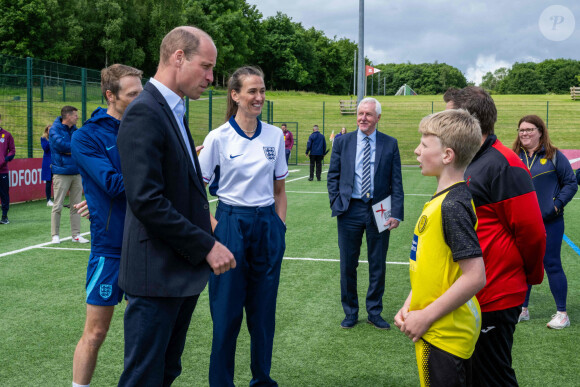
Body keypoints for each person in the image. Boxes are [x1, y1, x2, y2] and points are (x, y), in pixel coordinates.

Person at [116, 26, 235, 386]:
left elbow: (180, 186)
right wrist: (206, 244)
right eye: (207, 66)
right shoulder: (145, 112)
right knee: (143, 377)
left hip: (176, 274)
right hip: (155, 276)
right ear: (178, 57)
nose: (211, 77)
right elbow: (147, 201)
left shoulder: (174, 109)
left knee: (166, 372)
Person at [444, 87, 546, 386]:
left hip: (495, 294)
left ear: (468, 121)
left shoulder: (504, 164)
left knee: (492, 377)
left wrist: (530, 277)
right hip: (471, 292)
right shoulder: (469, 159)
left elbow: (532, 232)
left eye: (449, 116)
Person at [199, 66, 288, 387]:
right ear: (235, 95)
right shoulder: (217, 138)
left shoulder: (274, 135)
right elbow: (197, 193)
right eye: (252, 91)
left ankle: (262, 379)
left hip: (266, 226)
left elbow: (279, 190)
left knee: (263, 316)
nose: (259, 97)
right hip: (230, 223)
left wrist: (279, 227)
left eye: (262, 91)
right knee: (226, 317)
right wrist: (217, 232)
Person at [395, 109, 486, 387]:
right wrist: (411, 303)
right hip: (441, 328)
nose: (417, 150)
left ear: (447, 155)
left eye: (424, 144)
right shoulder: (445, 199)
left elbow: (475, 276)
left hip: (443, 335)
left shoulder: (451, 206)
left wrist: (426, 316)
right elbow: (435, 267)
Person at [70, 64, 143, 387]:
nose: (141, 99)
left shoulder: (147, 126)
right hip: (110, 246)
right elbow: (112, 184)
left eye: (142, 92)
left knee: (144, 335)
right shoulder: (87, 136)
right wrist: (159, 166)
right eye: (133, 94)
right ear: (110, 95)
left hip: (148, 245)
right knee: (96, 332)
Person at [327, 97, 404, 330]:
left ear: (378, 117)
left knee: (377, 263)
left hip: (380, 209)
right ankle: (350, 312)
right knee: (348, 264)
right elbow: (333, 176)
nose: (363, 118)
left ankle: (374, 311)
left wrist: (396, 213)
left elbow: (396, 182)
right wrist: (336, 202)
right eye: (360, 113)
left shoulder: (390, 144)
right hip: (349, 209)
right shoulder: (343, 142)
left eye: (368, 114)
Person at [512, 115, 577, 329]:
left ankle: (562, 314)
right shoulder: (514, 157)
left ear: (540, 131)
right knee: (523, 265)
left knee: (551, 264)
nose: (525, 133)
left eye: (530, 129)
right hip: (522, 223)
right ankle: (523, 309)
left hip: (550, 222)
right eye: (522, 130)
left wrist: (556, 205)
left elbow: (570, 183)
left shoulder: (554, 156)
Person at [49, 105, 88, 243]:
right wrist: (74, 149)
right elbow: (62, 146)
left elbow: (80, 147)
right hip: (61, 172)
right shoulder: (54, 129)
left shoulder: (76, 130)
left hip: (76, 172)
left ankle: (76, 235)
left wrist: (72, 149)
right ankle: (55, 235)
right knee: (58, 204)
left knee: (76, 205)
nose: (77, 117)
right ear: (68, 116)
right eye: (75, 115)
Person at [0, 113, 15, 224]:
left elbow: (13, 151)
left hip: (2, 171)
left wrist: (4, 160)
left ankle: (4, 216)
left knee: (4, 194)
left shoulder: (6, 135)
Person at [40, 125, 53, 206]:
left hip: (56, 161)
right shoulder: (44, 138)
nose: (51, 131)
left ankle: (57, 199)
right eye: (49, 130)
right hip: (48, 162)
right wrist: (51, 139)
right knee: (48, 181)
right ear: (46, 131)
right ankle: (48, 200)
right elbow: (45, 148)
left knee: (58, 180)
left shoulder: (56, 137)